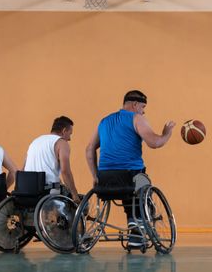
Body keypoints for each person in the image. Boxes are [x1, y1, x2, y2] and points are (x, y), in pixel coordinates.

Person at [85, 90, 175, 247]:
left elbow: (89, 150)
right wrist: (166, 133)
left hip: (105, 179)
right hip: (131, 176)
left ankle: (134, 224)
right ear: (135, 104)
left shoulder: (104, 121)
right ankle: (138, 226)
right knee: (141, 183)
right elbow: (154, 143)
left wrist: (95, 176)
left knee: (131, 188)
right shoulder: (137, 118)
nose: (143, 111)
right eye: (143, 106)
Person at [23, 116, 80, 204]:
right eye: (70, 134)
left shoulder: (35, 142)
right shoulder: (62, 143)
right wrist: (75, 195)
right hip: (47, 191)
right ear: (64, 131)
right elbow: (65, 172)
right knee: (79, 201)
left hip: (27, 189)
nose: (69, 139)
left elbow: (23, 168)